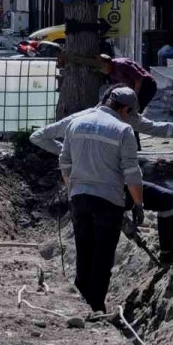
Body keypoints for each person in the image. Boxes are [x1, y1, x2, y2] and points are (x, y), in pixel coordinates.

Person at [31, 85, 173, 262]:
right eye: (129, 112)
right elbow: (38, 136)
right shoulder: (81, 120)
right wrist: (71, 153)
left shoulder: (126, 116)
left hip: (115, 185)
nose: (131, 117)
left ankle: (167, 254)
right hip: (99, 190)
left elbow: (155, 128)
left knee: (169, 200)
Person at [58, 87, 145, 314]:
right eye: (131, 113)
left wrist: (73, 190)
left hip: (78, 198)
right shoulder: (123, 130)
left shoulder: (75, 123)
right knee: (102, 257)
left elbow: (65, 163)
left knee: (83, 252)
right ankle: (96, 308)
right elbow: (132, 173)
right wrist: (138, 204)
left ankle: (80, 306)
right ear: (125, 109)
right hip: (108, 203)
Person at [61, 52, 157, 114]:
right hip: (134, 87)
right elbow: (117, 87)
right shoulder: (111, 73)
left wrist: (134, 97)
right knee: (127, 111)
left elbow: (139, 79)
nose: (101, 70)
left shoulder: (121, 65)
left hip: (146, 85)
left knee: (134, 112)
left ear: (107, 63)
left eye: (101, 67)